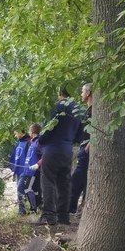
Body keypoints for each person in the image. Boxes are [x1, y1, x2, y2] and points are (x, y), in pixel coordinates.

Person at [37, 87, 85, 225]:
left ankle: (48, 215)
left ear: (59, 94)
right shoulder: (79, 110)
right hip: (67, 150)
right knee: (64, 183)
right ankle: (63, 216)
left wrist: (41, 140)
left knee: (48, 181)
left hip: (52, 149)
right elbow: (80, 134)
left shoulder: (57, 107)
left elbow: (48, 129)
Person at [70, 83, 92, 215]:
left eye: (83, 91)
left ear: (88, 93)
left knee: (77, 178)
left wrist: (90, 143)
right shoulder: (87, 110)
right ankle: (78, 207)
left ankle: (70, 207)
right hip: (83, 147)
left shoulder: (94, 110)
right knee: (83, 179)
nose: (81, 94)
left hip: (87, 149)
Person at [17, 123, 42, 215]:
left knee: (24, 188)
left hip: (33, 172)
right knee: (26, 189)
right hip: (27, 171)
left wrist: (37, 165)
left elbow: (45, 155)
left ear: (32, 131)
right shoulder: (32, 142)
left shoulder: (38, 141)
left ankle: (34, 209)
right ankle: (34, 208)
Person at [10, 129, 31, 214]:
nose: (15, 136)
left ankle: (23, 211)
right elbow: (14, 156)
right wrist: (13, 169)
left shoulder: (28, 142)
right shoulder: (18, 143)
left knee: (21, 189)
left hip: (25, 170)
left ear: (22, 133)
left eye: (16, 133)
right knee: (21, 190)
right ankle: (22, 210)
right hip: (18, 171)